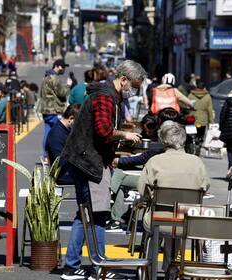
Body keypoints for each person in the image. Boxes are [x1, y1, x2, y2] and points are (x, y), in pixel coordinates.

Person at [60, 60, 147, 280]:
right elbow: (103, 131)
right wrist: (125, 135)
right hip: (89, 162)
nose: (134, 91)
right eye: (134, 85)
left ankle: (73, 266)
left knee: (86, 213)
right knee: (98, 214)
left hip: (84, 159)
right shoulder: (105, 97)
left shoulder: (108, 96)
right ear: (124, 79)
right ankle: (100, 265)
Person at [138, 120, 210, 271]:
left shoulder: (154, 161)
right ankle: (171, 267)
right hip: (187, 221)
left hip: (158, 220)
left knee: (158, 218)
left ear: (163, 140)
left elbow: (142, 191)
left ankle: (150, 265)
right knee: (177, 220)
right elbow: (205, 187)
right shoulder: (197, 162)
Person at [39, 59, 69, 159]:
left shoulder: (45, 77)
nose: (64, 69)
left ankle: (45, 155)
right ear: (57, 66)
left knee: (47, 131)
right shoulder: (54, 78)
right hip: (54, 110)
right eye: (63, 67)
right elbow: (62, 93)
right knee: (58, 132)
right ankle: (55, 154)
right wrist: (68, 85)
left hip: (45, 109)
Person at [46, 104, 81, 185]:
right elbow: (60, 161)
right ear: (71, 119)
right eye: (78, 123)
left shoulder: (65, 130)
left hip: (69, 171)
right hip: (64, 174)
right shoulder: (56, 135)